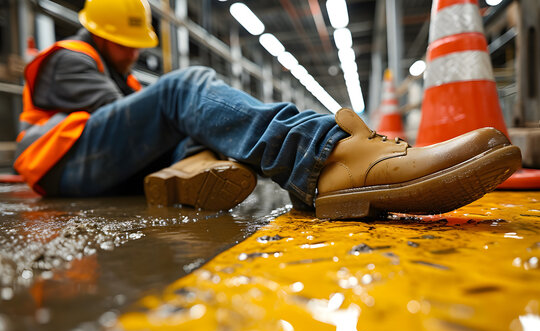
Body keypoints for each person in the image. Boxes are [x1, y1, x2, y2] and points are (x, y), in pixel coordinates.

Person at [14, 0, 521, 220]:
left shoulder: (110, 68)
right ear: (101, 35)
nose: (134, 52)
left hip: (89, 165)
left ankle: (191, 173)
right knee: (182, 89)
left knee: (200, 119)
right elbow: (124, 129)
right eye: (127, 44)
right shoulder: (67, 61)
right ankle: (325, 161)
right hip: (63, 166)